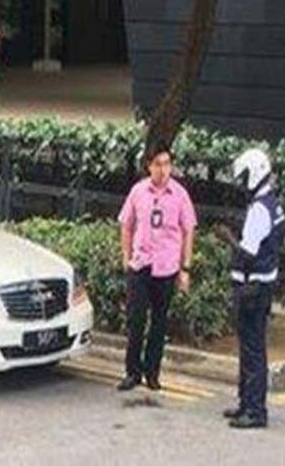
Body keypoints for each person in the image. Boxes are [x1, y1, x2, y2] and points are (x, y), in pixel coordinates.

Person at [117, 146, 197, 392]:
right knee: (136, 320)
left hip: (166, 266)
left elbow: (188, 230)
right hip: (141, 264)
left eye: (167, 164)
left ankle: (152, 372)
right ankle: (132, 371)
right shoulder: (138, 191)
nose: (163, 170)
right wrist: (126, 255)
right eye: (158, 164)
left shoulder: (179, 194)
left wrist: (185, 268)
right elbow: (126, 224)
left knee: (159, 322)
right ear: (149, 166)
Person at [217, 148, 285, 429]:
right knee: (251, 347)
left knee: (252, 349)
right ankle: (247, 403)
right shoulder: (272, 203)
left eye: (244, 177)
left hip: (253, 287)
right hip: (262, 284)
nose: (241, 184)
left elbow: (247, 253)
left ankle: (255, 410)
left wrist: (228, 237)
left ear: (255, 173)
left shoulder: (259, 208)